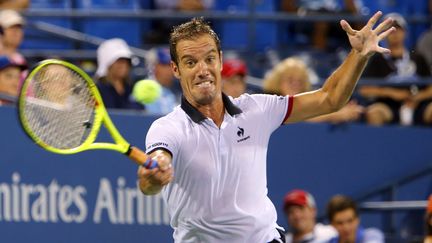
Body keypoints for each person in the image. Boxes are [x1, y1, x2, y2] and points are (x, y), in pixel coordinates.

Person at [137, 12, 394, 242]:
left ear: (220, 60)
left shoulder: (257, 109)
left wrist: (358, 56)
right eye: (190, 62)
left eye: (209, 58)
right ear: (176, 69)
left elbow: (330, 98)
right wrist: (153, 175)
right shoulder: (167, 128)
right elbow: (155, 170)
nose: (203, 70)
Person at [361, 13, 432, 126]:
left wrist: (418, 97)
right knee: (374, 113)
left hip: (418, 105)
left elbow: (430, 88)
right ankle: (377, 143)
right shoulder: (377, 59)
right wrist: (390, 93)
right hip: (388, 105)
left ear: (406, 33)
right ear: (383, 34)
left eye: (398, 29)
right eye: (389, 30)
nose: (394, 33)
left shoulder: (418, 57)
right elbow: (365, 90)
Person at [263, 57, 364, 124]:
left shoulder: (307, 102)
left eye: (300, 81)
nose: (295, 84)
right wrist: (337, 115)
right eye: (290, 80)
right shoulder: (268, 101)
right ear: (278, 81)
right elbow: (296, 114)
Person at [280, 0, 363, 50]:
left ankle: (362, 57)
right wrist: (301, 13)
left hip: (330, 13)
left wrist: (355, 15)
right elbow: (287, 7)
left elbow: (352, 9)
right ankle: (319, 59)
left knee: (354, 21)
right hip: (305, 15)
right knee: (321, 22)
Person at [95, 38, 143, 110]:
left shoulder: (132, 88)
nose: (125, 65)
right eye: (119, 61)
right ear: (108, 64)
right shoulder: (97, 90)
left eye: (127, 61)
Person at [144, 47, 179, 115]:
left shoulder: (177, 91)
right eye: (164, 65)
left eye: (171, 65)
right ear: (153, 66)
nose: (169, 70)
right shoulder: (145, 88)